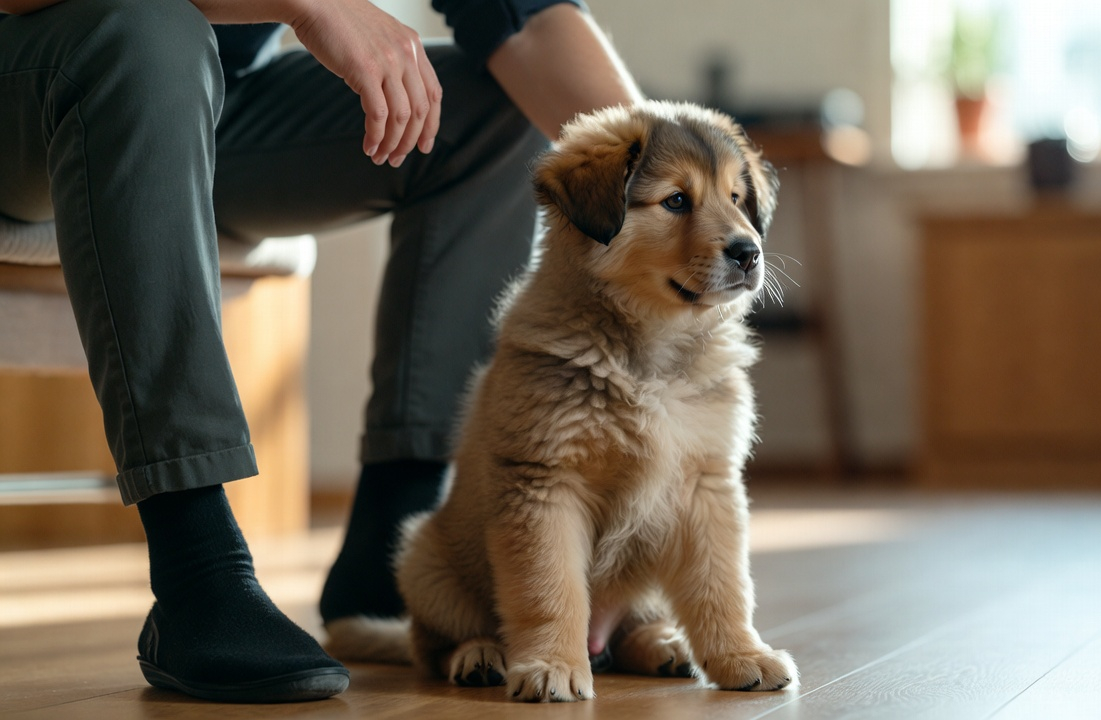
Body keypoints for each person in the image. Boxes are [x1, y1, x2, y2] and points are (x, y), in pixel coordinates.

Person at [0, 0, 642, 703]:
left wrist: (690, 203)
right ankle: (197, 569)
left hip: (211, 99)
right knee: (148, 30)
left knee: (495, 112)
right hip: (49, 73)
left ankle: (390, 553)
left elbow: (525, 18)